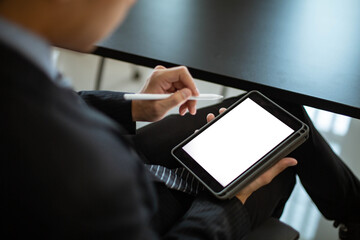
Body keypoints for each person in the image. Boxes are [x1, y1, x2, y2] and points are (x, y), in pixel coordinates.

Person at [0, 0, 358, 239]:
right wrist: (230, 202)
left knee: (274, 107)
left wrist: (135, 106)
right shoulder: (100, 187)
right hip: (173, 210)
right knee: (283, 145)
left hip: (134, 156)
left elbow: (70, 101)